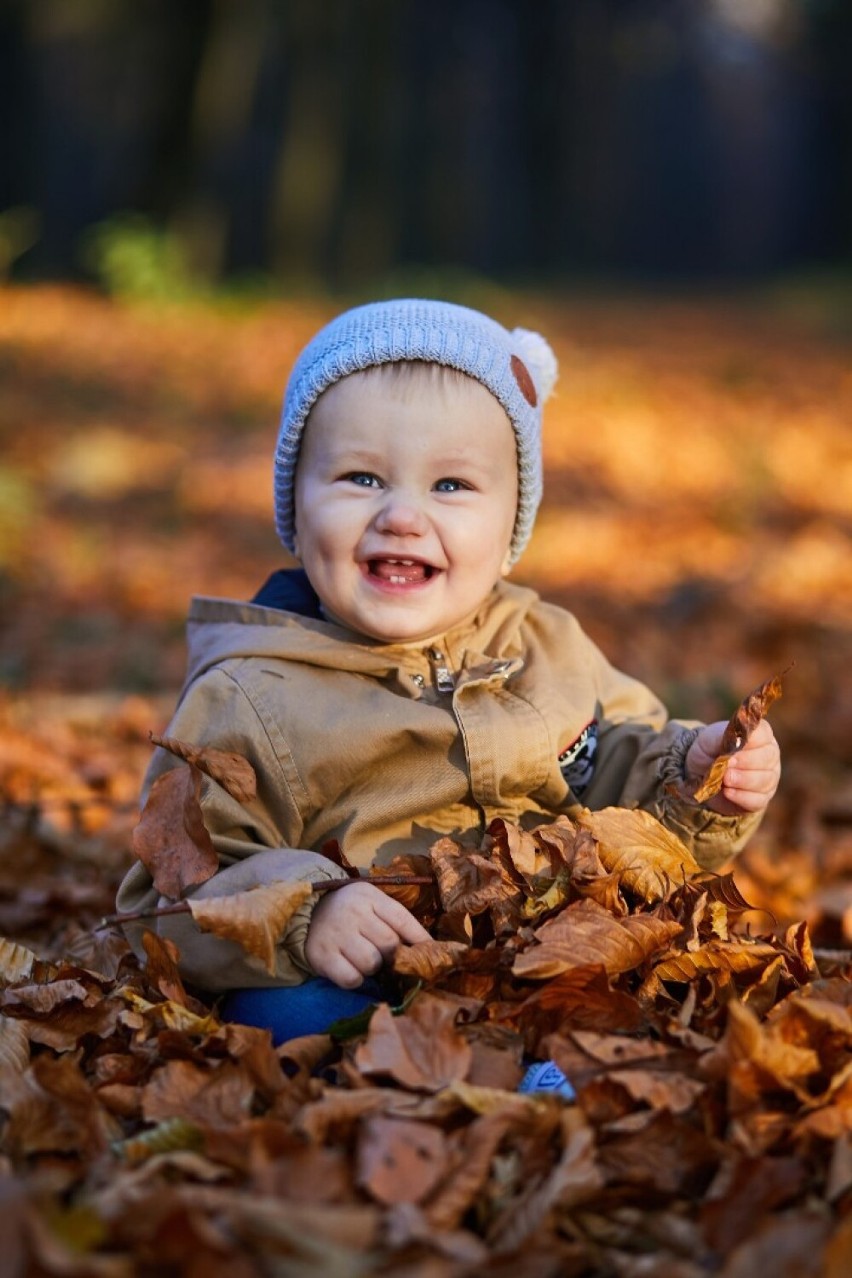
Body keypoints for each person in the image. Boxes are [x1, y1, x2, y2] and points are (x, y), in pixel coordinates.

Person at [116, 298, 781, 1041]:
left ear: (508, 535)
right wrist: (307, 912)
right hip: (369, 984)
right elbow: (171, 894)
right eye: (362, 478)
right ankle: (413, 1095)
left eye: (452, 487)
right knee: (291, 1015)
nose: (402, 515)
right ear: (296, 517)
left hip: (538, 961)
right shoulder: (250, 694)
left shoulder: (548, 643)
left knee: (670, 988)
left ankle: (559, 1075)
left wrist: (697, 779)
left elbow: (625, 764)